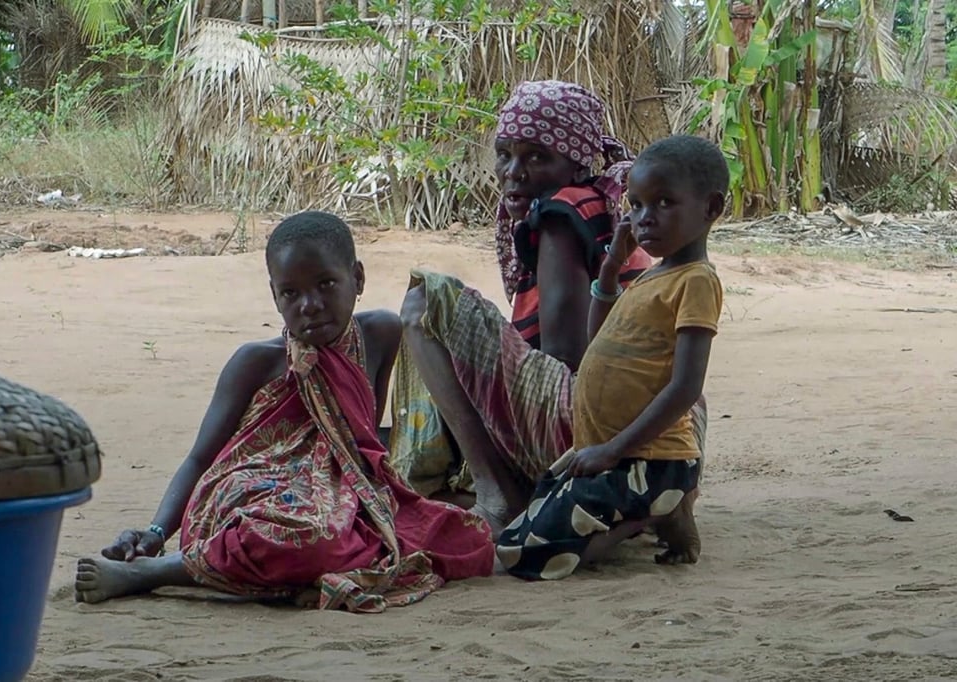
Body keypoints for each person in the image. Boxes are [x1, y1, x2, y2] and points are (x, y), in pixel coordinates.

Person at [75, 211, 495, 613]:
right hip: (254, 496)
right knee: (310, 539)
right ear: (275, 297)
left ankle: (287, 565)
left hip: (341, 496)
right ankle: (158, 572)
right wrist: (155, 534)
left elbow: (358, 442)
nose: (309, 304)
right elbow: (201, 458)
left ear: (358, 278)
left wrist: (369, 500)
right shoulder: (256, 362)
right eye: (290, 293)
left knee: (468, 538)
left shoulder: (380, 334)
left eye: (326, 283)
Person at [390, 80, 705, 533]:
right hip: (674, 434)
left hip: (594, 421)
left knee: (426, 302)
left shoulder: (561, 216)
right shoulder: (608, 208)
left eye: (537, 157)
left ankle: (495, 495)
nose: (513, 171)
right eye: (505, 153)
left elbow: (568, 356)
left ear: (575, 166)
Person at [495, 134, 727, 580]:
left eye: (663, 203)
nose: (645, 219)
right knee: (515, 534)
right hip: (614, 456)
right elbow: (596, 337)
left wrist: (612, 450)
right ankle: (653, 510)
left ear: (711, 209)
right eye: (636, 205)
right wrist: (608, 271)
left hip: (649, 459)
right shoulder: (654, 276)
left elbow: (685, 388)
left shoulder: (696, 280)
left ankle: (656, 512)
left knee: (527, 558)